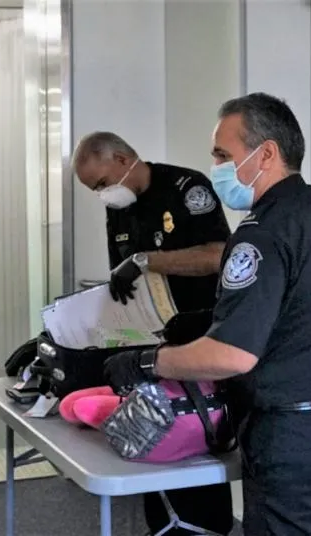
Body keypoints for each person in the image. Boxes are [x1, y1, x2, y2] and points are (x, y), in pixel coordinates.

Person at [103, 93, 311, 535]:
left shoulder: (260, 235)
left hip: (296, 438)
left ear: (267, 153)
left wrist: (146, 362)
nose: (215, 166)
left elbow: (232, 355)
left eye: (222, 154)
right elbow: (301, 312)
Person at [71, 131, 235, 535]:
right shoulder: (119, 209)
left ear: (124, 159)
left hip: (200, 339)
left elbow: (220, 255)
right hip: (149, 342)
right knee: (156, 442)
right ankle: (164, 527)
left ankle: (209, 529)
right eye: (95, 190)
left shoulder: (186, 188)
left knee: (198, 442)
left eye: (102, 184)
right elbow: (127, 272)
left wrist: (147, 260)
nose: (102, 195)